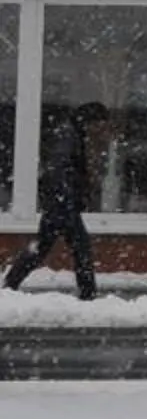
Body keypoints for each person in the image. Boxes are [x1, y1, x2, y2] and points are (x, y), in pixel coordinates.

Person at [6, 100, 103, 300]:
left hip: (60, 202)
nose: (99, 130)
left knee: (43, 247)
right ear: (90, 121)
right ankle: (88, 294)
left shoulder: (72, 132)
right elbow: (58, 169)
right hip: (62, 204)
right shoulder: (69, 135)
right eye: (99, 124)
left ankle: (10, 283)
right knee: (80, 249)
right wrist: (66, 198)